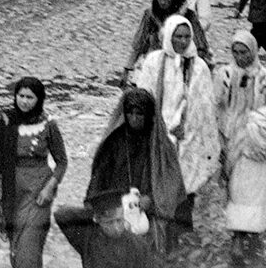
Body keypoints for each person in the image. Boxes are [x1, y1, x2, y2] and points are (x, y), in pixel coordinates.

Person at [54, 88, 186, 268]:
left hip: (149, 214)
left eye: (140, 114)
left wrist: (151, 201)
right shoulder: (114, 142)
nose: (134, 118)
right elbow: (99, 178)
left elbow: (172, 185)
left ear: (149, 116)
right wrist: (98, 208)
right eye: (130, 113)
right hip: (115, 209)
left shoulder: (161, 146)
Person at [130, 15, 220, 225]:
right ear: (169, 35)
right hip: (159, 133)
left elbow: (205, 106)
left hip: (188, 136)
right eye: (178, 36)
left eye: (187, 37)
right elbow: (144, 97)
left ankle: (181, 228)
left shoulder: (199, 67)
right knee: (156, 182)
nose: (182, 41)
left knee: (185, 184)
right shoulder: (154, 61)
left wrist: (187, 126)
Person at [214, 29, 266, 262]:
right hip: (232, 138)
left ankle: (250, 232)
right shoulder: (224, 74)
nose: (240, 57)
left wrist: (262, 124)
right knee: (235, 188)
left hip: (256, 141)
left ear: (253, 51)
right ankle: (237, 234)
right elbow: (217, 106)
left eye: (244, 52)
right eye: (236, 52)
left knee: (255, 189)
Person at [0, 76, 66, 268]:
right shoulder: (6, 120)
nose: (24, 101)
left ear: (39, 99)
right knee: (15, 247)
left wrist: (49, 188)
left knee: (29, 246)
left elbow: (62, 162)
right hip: (10, 190)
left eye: (30, 97)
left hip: (38, 191)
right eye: (21, 95)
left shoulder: (48, 124)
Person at [128, 0, 212, 68]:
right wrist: (128, 68)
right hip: (155, 64)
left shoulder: (188, 16)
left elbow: (201, 46)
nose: (162, 2)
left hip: (183, 64)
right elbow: (139, 44)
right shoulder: (150, 15)